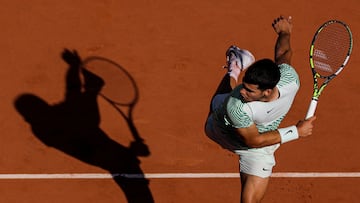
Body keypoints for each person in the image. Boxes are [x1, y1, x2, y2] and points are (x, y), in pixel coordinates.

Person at [205, 15, 316, 203]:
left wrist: (284, 32)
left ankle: (237, 64)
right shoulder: (236, 106)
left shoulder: (289, 80)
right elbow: (253, 140)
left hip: (259, 148)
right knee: (219, 102)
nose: (243, 92)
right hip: (226, 131)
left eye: (249, 90)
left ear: (267, 92)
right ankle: (235, 68)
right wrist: (296, 131)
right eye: (244, 85)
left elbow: (284, 54)